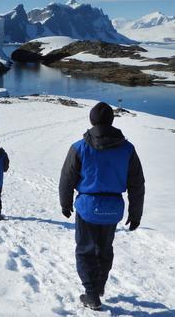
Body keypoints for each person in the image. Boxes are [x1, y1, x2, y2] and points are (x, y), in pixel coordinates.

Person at [58, 102, 145, 311]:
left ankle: (91, 294)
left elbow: (67, 178)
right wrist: (136, 214)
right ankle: (99, 286)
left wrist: (65, 203)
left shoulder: (79, 147)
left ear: (92, 121)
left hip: (88, 207)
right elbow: (136, 184)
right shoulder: (127, 149)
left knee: (85, 251)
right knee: (105, 250)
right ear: (111, 121)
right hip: (112, 209)